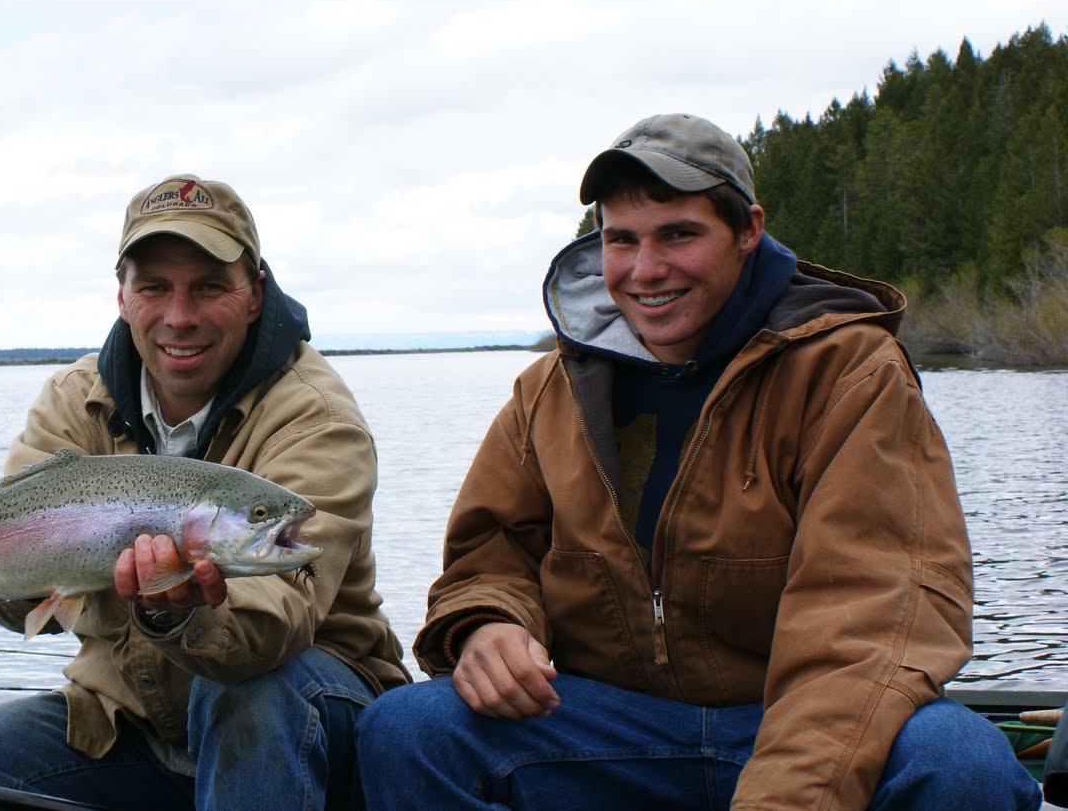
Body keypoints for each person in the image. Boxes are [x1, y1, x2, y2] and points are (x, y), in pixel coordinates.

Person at [356, 114, 1043, 810]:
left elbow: (868, 624)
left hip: (804, 718)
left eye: (678, 235)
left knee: (960, 763)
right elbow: (491, 553)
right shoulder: (549, 390)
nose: (645, 270)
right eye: (620, 240)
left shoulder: (852, 375)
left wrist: (782, 799)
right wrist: (490, 623)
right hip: (616, 730)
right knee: (411, 729)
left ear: (748, 231)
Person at [0, 174, 410, 811]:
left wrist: (177, 609)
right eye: (155, 288)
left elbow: (280, 618)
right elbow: (32, 597)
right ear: (122, 297)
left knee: (249, 696)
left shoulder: (317, 419)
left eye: (210, 287)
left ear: (255, 295)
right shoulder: (73, 400)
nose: (180, 316)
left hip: (310, 717)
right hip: (130, 721)